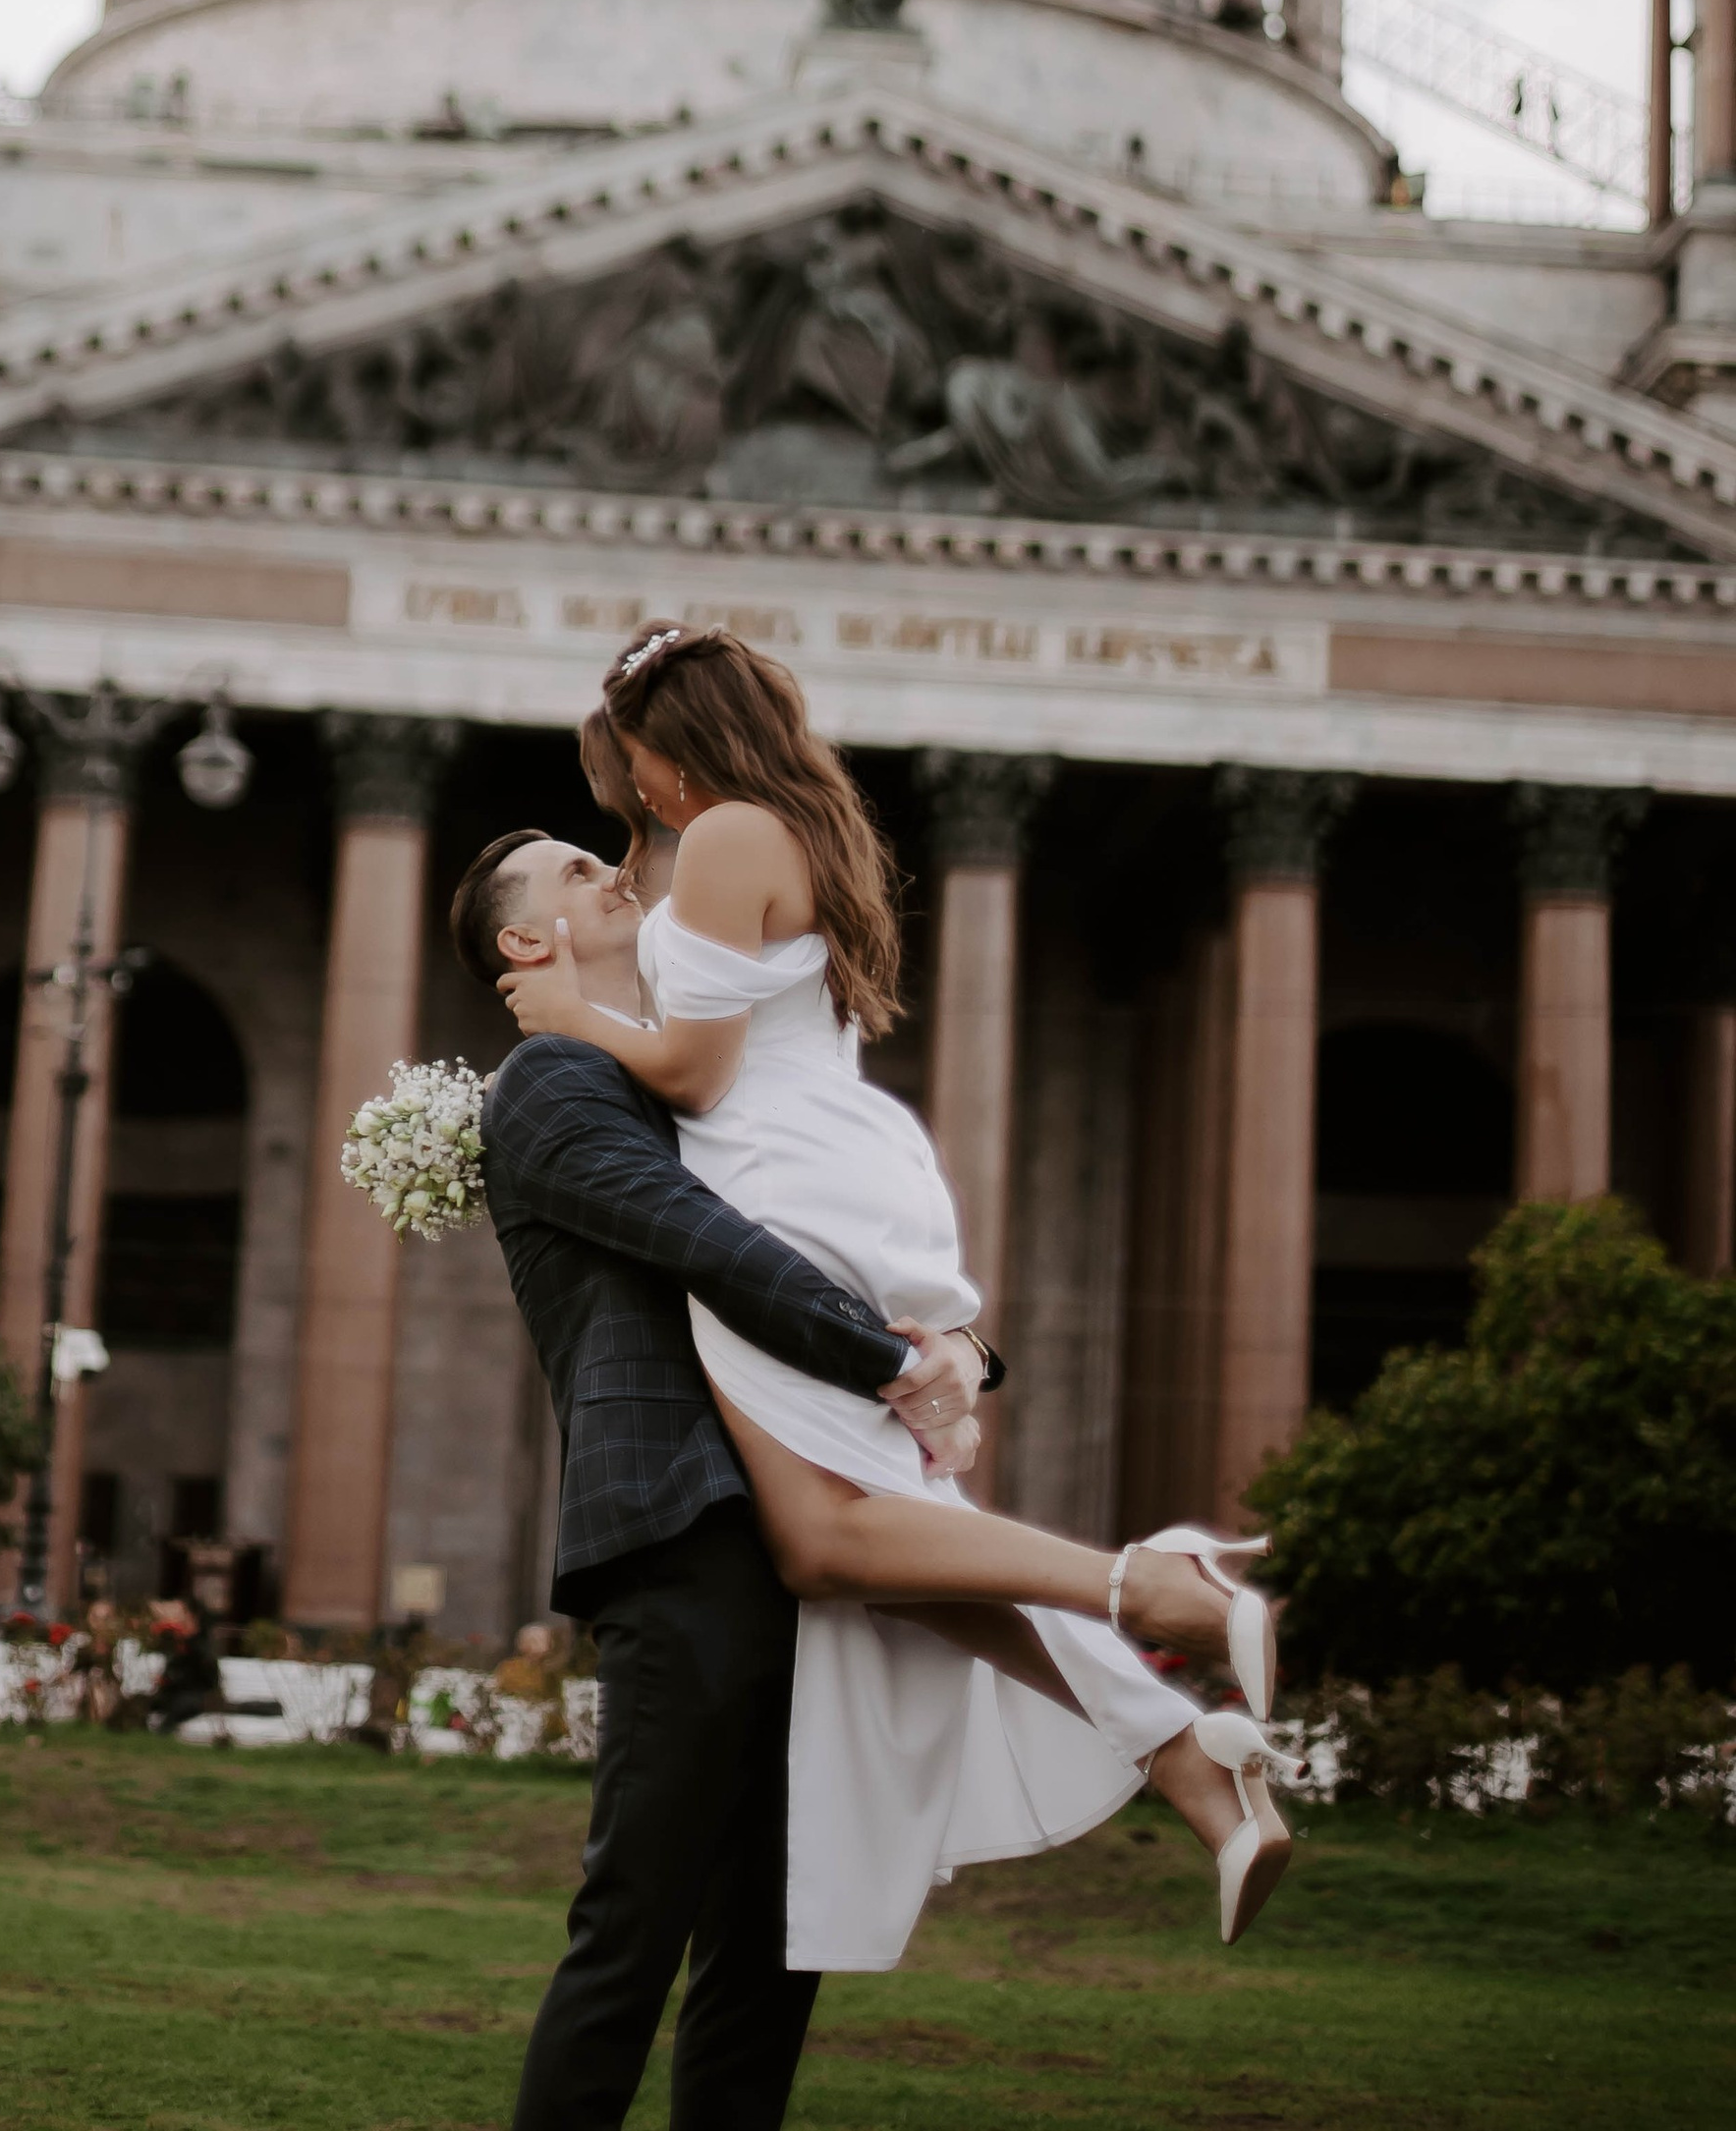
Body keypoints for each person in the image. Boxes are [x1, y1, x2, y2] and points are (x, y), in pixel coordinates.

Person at [486, 632, 1299, 1999]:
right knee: (883, 1544)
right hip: (836, 1173)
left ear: (673, 738)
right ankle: (1185, 1754)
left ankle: (1157, 1587)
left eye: (623, 767)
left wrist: (565, 1014)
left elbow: (689, 1072)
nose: (624, 805)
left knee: (825, 1535)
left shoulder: (736, 833)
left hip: (783, 1190)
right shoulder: (766, 831)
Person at [458, 813, 974, 2131]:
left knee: (767, 1950)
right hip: (685, 1538)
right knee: (634, 1933)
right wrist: (895, 1365)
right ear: (528, 941)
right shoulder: (555, 1090)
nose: (616, 870)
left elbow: (834, 1229)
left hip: (798, 1530)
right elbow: (715, 1248)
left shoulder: (690, 1074)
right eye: (578, 870)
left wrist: (959, 1341)